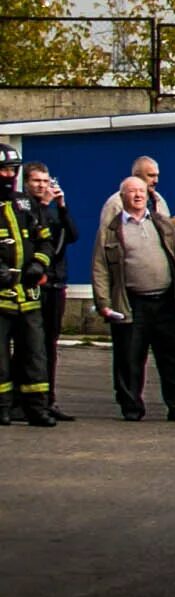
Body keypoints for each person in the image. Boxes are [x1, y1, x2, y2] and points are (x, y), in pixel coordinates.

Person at [94, 172, 175, 421]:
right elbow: (100, 268)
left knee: (174, 357)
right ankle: (131, 407)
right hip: (131, 303)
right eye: (132, 191)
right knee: (129, 359)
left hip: (165, 302)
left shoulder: (161, 223)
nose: (138, 195)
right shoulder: (111, 230)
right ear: (122, 197)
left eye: (142, 191)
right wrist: (104, 304)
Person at [19, 165, 77, 421]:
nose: (42, 186)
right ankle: (25, 401)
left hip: (55, 285)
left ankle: (48, 399)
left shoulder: (53, 213)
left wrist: (62, 206)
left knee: (49, 345)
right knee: (30, 346)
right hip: (32, 286)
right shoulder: (23, 209)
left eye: (45, 181)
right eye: (36, 181)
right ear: (27, 183)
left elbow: (72, 235)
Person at [0, 180, 50, 426]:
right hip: (1, 298)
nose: (9, 175)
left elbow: (45, 238)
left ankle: (37, 409)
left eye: (12, 169)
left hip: (28, 297)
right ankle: (2, 408)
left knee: (34, 355)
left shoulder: (25, 202)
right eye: (4, 169)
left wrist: (39, 263)